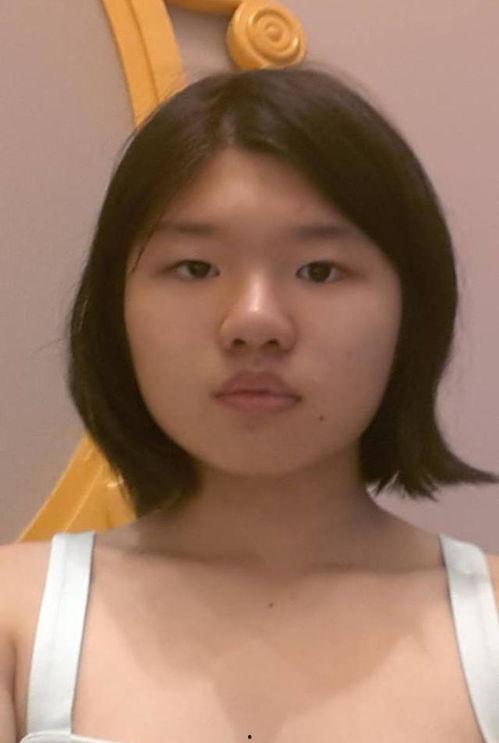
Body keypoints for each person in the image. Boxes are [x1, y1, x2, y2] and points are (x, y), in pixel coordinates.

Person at [1, 63, 498, 743]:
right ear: (117, 312)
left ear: (411, 312)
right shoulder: (16, 619)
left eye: (319, 270)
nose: (254, 320)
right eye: (195, 267)